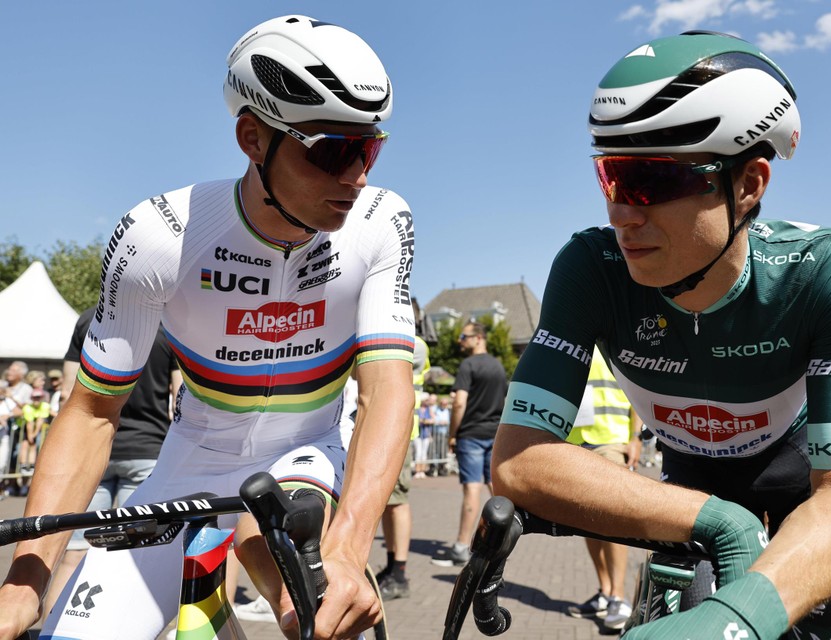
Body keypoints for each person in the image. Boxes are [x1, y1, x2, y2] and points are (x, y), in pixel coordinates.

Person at [0, 15, 415, 640]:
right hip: (188, 461)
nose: (357, 175)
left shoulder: (381, 223)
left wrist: (352, 543)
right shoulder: (161, 238)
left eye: (370, 148)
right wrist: (24, 584)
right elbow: (89, 414)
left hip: (312, 450)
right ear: (253, 138)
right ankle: (209, 600)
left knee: (299, 586)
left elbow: (387, 388)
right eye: (333, 149)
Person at [491, 31, 831, 640]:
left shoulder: (826, 268)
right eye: (610, 178)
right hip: (692, 495)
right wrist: (724, 522)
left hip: (803, 489)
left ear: (749, 185)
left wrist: (736, 619)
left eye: (650, 180)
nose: (621, 212)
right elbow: (518, 460)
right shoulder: (589, 269)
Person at [44, 306, 182, 621]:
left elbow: (68, 394)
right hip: (148, 449)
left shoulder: (88, 321)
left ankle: (57, 628)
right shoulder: (170, 327)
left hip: (92, 450)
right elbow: (179, 399)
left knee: (75, 550)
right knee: (134, 554)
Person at [564, 347, 640, 632]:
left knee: (612, 520)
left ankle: (619, 598)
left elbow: (636, 389)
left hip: (610, 437)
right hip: (574, 440)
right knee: (586, 522)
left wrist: (635, 437)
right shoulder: (570, 336)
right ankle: (605, 592)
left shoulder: (615, 338)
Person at [431, 322, 507, 567]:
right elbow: (505, 399)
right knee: (496, 488)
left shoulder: (468, 365)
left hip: (472, 434)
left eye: (464, 336)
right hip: (494, 433)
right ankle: (504, 540)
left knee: (472, 491)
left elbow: (459, 403)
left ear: (479, 338)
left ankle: (462, 547)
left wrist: (453, 433)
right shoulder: (498, 366)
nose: (460, 341)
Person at [376, 334, 430, 600]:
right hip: (389, 432)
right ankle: (391, 567)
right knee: (388, 502)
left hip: (399, 432)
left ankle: (399, 574)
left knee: (398, 502)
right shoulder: (409, 341)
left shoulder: (413, 343)